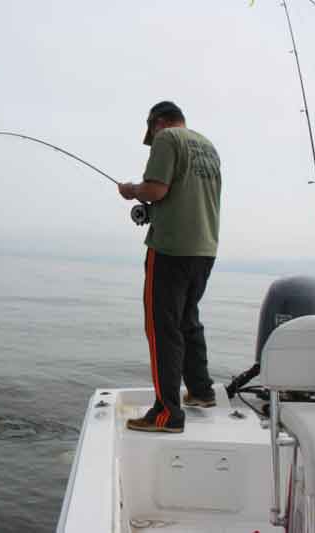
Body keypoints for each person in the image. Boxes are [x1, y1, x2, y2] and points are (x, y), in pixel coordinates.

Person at [117, 101, 222, 433]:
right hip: (204, 249)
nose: (152, 138)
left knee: (162, 328)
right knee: (188, 319)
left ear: (157, 123)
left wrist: (132, 190)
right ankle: (202, 391)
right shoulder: (208, 146)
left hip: (170, 249)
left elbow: (156, 190)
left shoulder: (167, 139)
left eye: (151, 131)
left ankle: (167, 414)